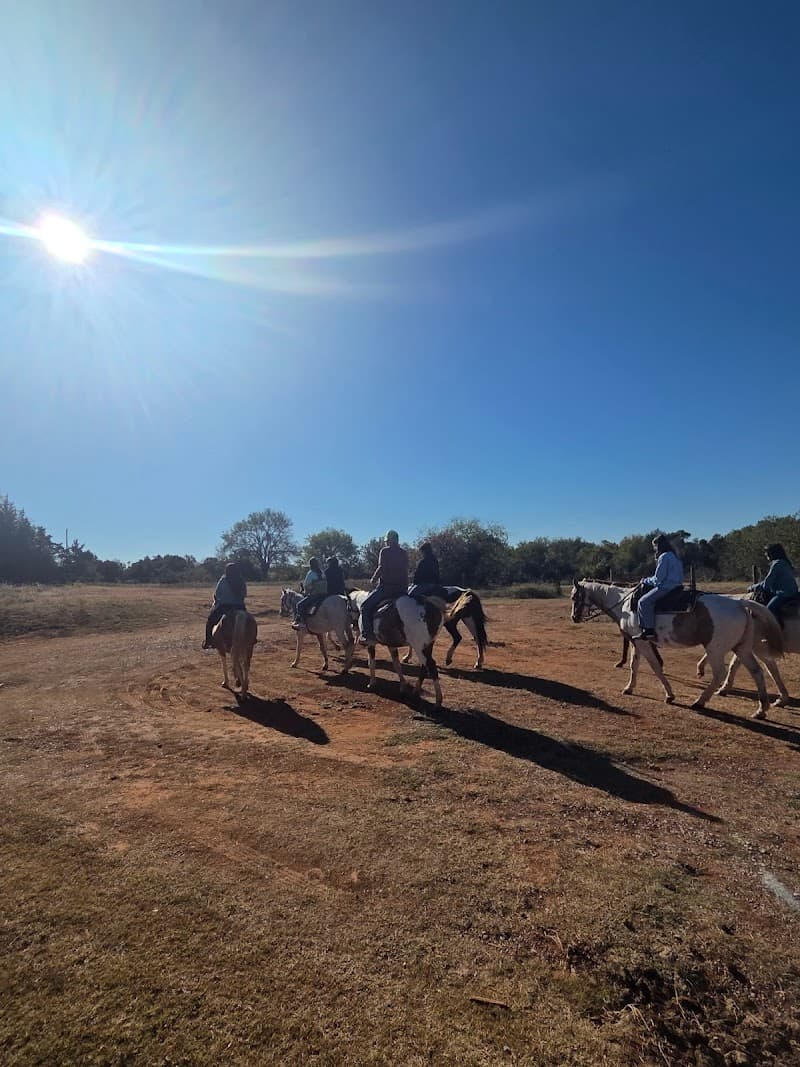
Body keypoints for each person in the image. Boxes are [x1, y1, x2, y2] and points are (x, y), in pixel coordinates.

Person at [359, 530, 409, 644]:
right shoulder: (404, 552)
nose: (386, 543)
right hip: (402, 589)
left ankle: (368, 635)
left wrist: (373, 579)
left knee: (365, 607)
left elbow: (381, 567)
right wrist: (405, 588)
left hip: (386, 588)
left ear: (390, 540)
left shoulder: (385, 551)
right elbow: (406, 571)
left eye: (387, 541)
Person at [637, 534, 684, 641]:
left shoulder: (664, 557)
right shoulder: (675, 556)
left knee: (643, 602)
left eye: (655, 546)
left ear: (659, 546)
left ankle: (648, 631)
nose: (654, 549)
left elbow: (658, 579)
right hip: (678, 586)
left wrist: (644, 581)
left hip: (666, 587)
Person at [203, 562, 247, 648]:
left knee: (210, 621)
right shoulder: (241, 580)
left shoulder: (223, 580)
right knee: (248, 621)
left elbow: (217, 594)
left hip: (224, 607)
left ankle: (208, 641)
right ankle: (252, 638)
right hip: (240, 607)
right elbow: (244, 594)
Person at [750, 543, 798, 623]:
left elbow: (766, 584)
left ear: (772, 553)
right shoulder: (786, 562)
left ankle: (776, 631)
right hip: (793, 592)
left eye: (767, 552)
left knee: (769, 611)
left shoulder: (776, 564)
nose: (765, 554)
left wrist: (753, 587)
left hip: (783, 593)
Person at [293, 557, 327, 628]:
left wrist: (306, 592)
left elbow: (306, 585)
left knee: (299, 605)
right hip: (324, 594)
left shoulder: (311, 573)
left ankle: (302, 623)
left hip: (315, 595)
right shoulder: (322, 572)